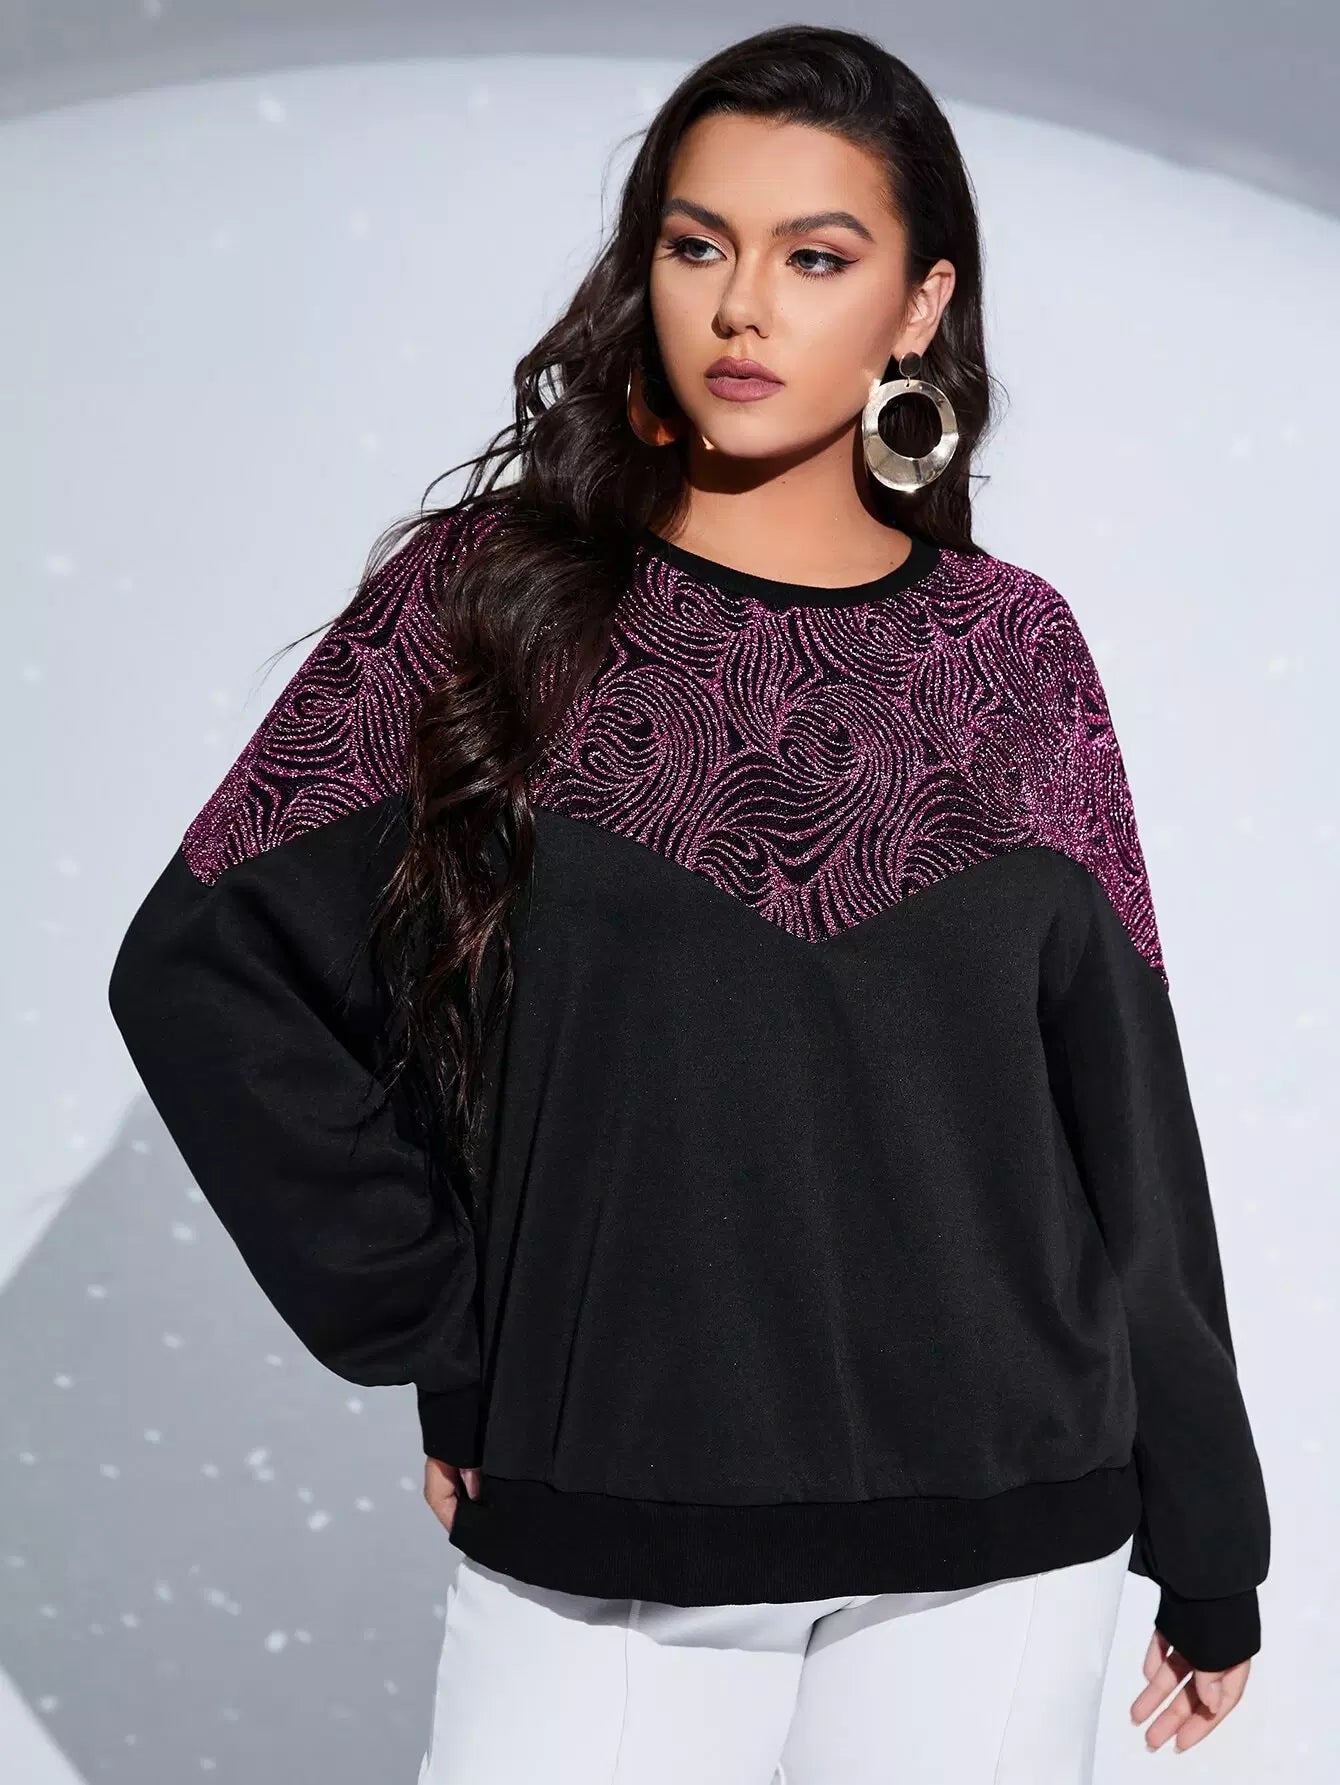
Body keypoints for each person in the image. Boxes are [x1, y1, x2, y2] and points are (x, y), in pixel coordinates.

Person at [106, 23, 1271, 1783]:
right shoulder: (493, 602)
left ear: (920, 307)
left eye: (817, 258)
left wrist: (1212, 1531)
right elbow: (202, 968)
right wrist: (446, 1323)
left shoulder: (1011, 648)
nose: (742, 307)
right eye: (698, 242)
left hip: (1006, 1529)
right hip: (611, 1513)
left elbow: (1123, 1112)